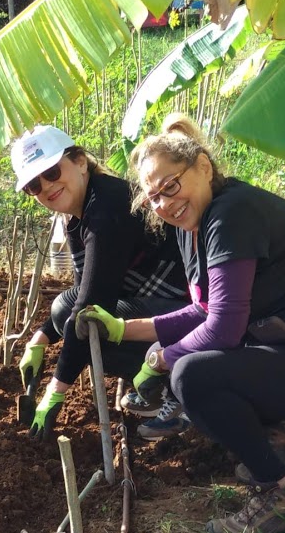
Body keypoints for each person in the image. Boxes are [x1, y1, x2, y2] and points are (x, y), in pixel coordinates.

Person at [75, 114, 285, 533]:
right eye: (152, 197)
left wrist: (162, 359)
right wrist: (125, 329)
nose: (163, 203)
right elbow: (203, 311)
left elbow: (223, 329)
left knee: (192, 375)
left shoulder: (232, 213)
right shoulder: (192, 226)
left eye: (170, 186)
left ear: (204, 167)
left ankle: (278, 493)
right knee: (197, 364)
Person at [10, 124, 189, 442]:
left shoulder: (107, 208)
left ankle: (176, 391)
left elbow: (91, 307)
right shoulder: (81, 212)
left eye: (51, 172)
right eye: (34, 185)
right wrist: (40, 338)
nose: (46, 187)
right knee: (65, 309)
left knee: (82, 321)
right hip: (153, 300)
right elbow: (87, 290)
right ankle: (160, 381)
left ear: (79, 161)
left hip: (185, 310)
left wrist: (56, 390)